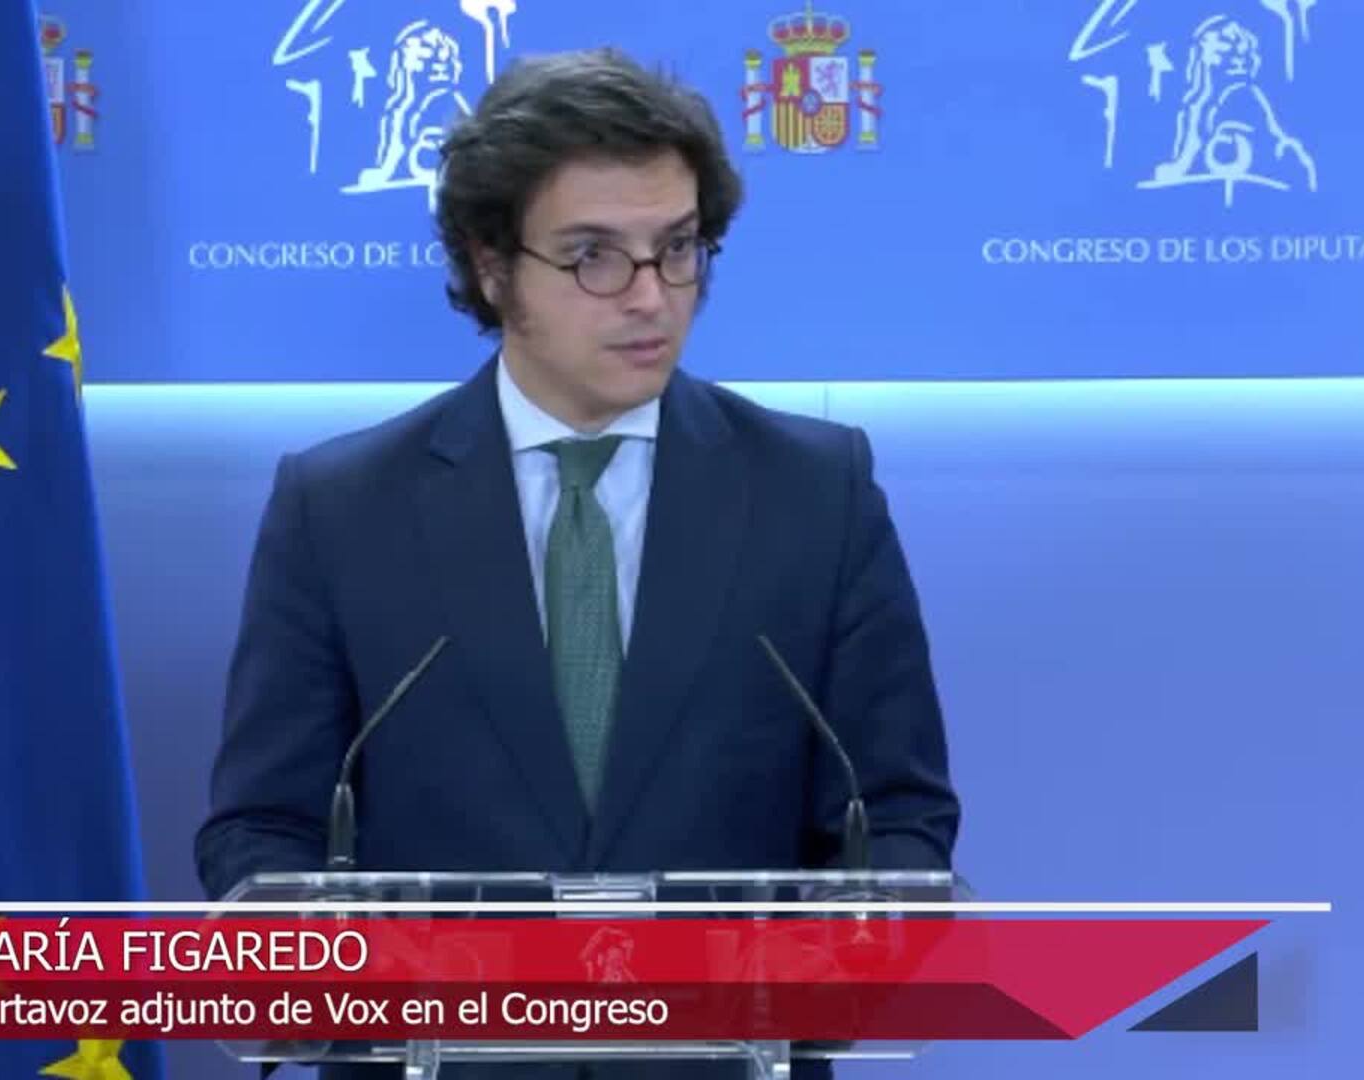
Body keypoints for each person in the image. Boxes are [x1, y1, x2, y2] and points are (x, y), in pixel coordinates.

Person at [196, 47, 959, 1073]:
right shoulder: (340, 507)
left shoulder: (817, 493)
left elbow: (898, 819)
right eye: (594, 255)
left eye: (677, 248)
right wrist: (346, 977)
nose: (651, 297)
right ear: (491, 264)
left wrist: (826, 973)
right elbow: (260, 832)